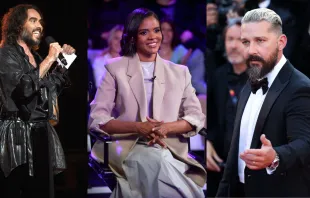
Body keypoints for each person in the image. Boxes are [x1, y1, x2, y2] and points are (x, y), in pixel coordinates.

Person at [88, 7, 206, 198]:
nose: (153, 36)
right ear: (133, 37)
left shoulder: (179, 72)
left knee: (160, 160)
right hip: (129, 147)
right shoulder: (114, 69)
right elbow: (97, 119)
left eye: (156, 30)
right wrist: (138, 127)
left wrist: (166, 128)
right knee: (156, 161)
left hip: (171, 148)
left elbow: (195, 117)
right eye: (144, 32)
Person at [216, 8, 310, 197]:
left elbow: (306, 143)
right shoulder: (249, 84)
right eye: (246, 42)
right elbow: (235, 153)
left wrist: (275, 156)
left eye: (260, 41)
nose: (251, 50)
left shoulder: (300, 87)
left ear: (281, 42)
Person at [0, 4, 75, 198]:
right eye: (33, 20)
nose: (39, 25)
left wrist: (63, 62)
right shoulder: (5, 53)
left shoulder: (37, 57)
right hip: (15, 136)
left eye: (40, 21)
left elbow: (50, 90)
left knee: (42, 191)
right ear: (18, 25)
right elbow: (23, 90)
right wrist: (50, 59)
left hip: (41, 133)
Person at [206, 19, 248, 197]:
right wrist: (206, 143)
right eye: (229, 39)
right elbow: (209, 118)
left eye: (240, 40)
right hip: (220, 167)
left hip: (254, 170)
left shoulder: (265, 78)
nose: (234, 45)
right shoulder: (217, 77)